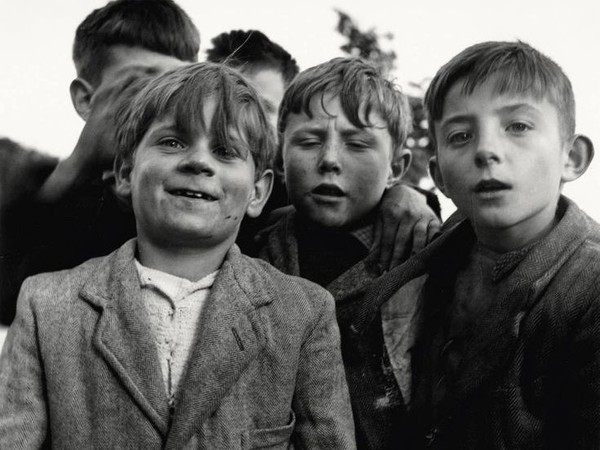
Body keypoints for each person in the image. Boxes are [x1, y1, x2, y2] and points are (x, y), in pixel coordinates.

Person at [0, 62, 356, 448]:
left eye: (225, 150)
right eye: (172, 142)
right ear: (124, 172)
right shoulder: (47, 304)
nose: (199, 162)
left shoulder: (303, 313)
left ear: (257, 192)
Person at [351, 40, 600, 448]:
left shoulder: (589, 292)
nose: (486, 150)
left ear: (571, 157)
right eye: (461, 135)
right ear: (440, 176)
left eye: (517, 126)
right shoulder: (425, 262)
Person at [258, 57, 428, 449]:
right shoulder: (251, 244)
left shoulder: (423, 254)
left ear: (396, 168)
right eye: (309, 140)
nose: (330, 160)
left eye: (357, 144)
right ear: (279, 156)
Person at [0, 0, 200, 325]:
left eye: (175, 88)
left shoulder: (206, 185)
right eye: (137, 88)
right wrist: (81, 163)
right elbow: (14, 301)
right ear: (85, 100)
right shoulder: (45, 189)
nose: (158, 106)